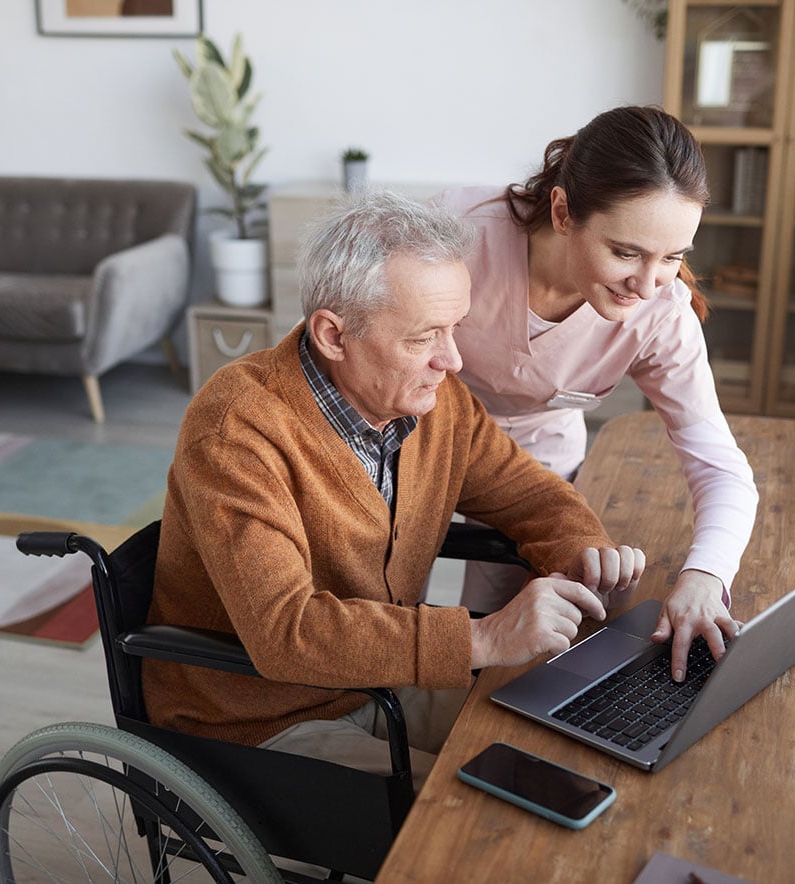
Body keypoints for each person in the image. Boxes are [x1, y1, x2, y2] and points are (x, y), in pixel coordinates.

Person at [142, 191, 645, 789]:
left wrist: (585, 551)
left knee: (573, 734)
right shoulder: (237, 427)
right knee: (482, 806)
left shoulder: (435, 404)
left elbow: (526, 494)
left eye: (455, 328)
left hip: (379, 682)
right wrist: (482, 636)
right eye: (423, 337)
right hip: (261, 717)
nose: (452, 360)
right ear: (333, 335)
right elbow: (286, 632)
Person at [434, 105, 758, 682]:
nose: (647, 283)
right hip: (421, 446)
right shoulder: (455, 239)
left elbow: (719, 465)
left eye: (673, 257)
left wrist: (707, 576)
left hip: (539, 469)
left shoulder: (660, 313)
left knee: (529, 651)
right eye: (627, 252)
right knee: (421, 624)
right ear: (562, 211)